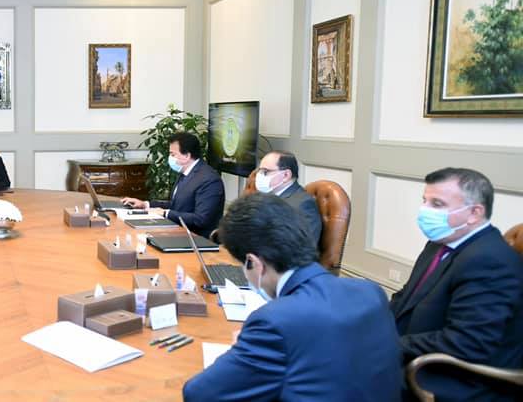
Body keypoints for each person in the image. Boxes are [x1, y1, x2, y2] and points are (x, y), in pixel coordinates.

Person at [183, 193, 401, 402]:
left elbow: (199, 394)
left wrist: (238, 350)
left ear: (254, 263)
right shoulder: (371, 292)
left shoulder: (274, 321)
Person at [389, 168, 523, 401]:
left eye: (437, 204)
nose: (424, 210)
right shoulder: (440, 242)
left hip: (460, 377)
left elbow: (468, 343)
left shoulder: (490, 260)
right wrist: (372, 328)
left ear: (474, 213)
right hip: (418, 351)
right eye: (424, 200)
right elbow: (405, 298)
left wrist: (389, 344)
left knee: (349, 376)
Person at [121, 132, 224, 236]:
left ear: (187, 156)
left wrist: (166, 213)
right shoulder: (186, 173)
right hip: (177, 231)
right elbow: (177, 205)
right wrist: (145, 204)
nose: (170, 158)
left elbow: (201, 219)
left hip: (196, 238)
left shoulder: (209, 180)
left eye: (173, 154)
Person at [212, 150, 322, 244]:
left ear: (286, 175)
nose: (259, 177)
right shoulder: (263, 196)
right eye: (259, 171)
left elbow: (302, 249)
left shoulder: (303, 205)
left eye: (265, 172)